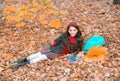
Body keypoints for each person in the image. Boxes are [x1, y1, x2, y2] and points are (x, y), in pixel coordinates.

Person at [10, 22, 84, 69]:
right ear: (68, 30)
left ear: (77, 30)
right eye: (70, 30)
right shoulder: (64, 36)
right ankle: (21, 61)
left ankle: (21, 65)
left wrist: (77, 55)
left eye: (74, 30)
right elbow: (55, 42)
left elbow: (79, 50)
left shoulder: (79, 39)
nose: (72, 32)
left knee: (41, 57)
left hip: (58, 53)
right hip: (54, 48)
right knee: (39, 53)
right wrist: (52, 39)